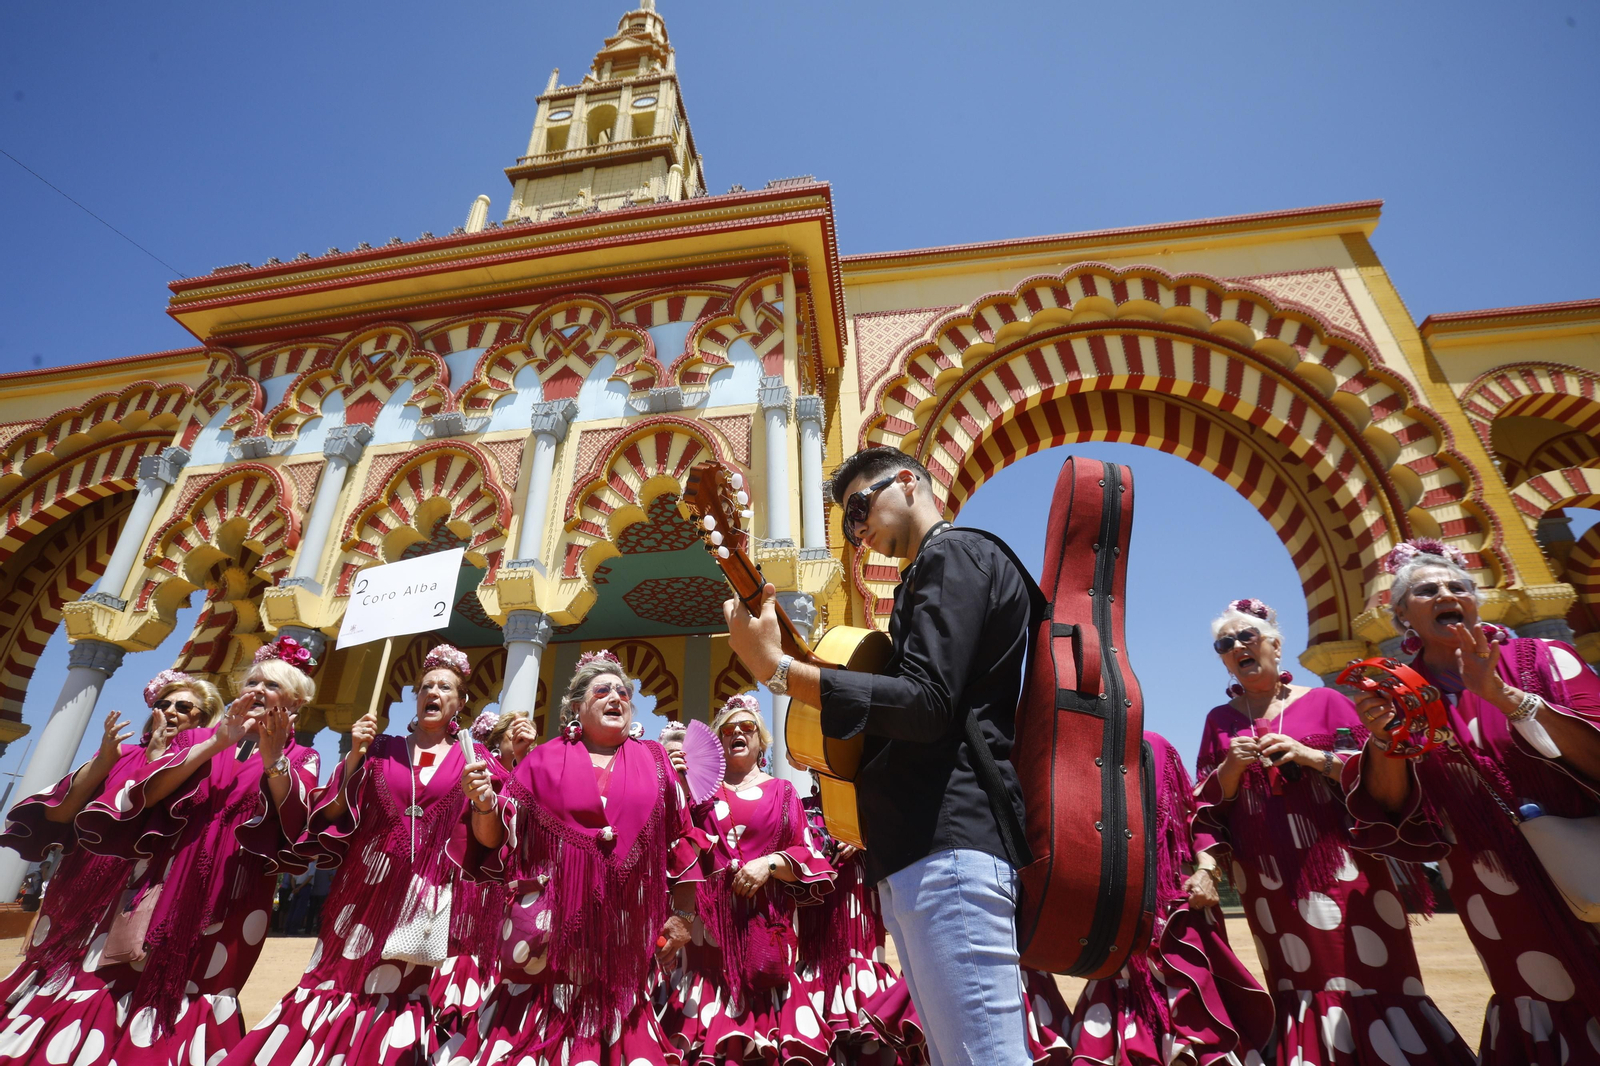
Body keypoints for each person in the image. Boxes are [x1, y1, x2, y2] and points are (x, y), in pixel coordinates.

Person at [726, 445, 1036, 1066]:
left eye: (860, 507)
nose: (857, 529)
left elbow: (926, 703)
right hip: (927, 849)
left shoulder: (955, 555)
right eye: (846, 521)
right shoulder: (931, 572)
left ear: (908, 483)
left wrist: (781, 672)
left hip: (950, 844)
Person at [1349, 539, 1600, 1063]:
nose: (1446, 592)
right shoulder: (1401, 695)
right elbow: (1391, 808)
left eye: (1457, 586)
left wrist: (1505, 698)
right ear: (1402, 617)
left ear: (1475, 601)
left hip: (1585, 859)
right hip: (1490, 888)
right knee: (1536, 993)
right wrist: (1385, 742)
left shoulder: (1541, 658)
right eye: (1427, 589)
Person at [1193, 598, 1474, 1064]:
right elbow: (1206, 802)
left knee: (1363, 966)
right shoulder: (1218, 721)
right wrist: (1230, 768)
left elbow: (1378, 773)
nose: (1239, 646)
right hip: (1265, 876)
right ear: (1223, 658)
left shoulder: (1325, 701)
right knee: (1296, 978)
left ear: (1275, 646)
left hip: (1341, 863)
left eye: (1249, 636)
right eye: (1227, 643)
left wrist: (1309, 756)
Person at [224, 642, 499, 1065]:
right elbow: (330, 813)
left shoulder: (474, 757)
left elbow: (493, 840)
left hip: (429, 898)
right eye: (426, 686)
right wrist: (354, 754)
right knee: (338, 976)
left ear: (459, 702)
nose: (434, 692)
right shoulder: (379, 748)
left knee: (406, 985)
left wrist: (483, 802)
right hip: (363, 889)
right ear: (416, 696)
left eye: (445, 687)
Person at [452, 650, 707, 1066]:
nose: (617, 698)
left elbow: (683, 842)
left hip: (624, 945)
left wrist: (684, 917)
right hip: (547, 947)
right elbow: (496, 839)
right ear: (576, 707)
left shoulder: (657, 762)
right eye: (602, 690)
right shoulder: (541, 760)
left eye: (624, 693)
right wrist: (482, 804)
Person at [70, 640, 319, 1065]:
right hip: (166, 871)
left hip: (235, 887)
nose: (257, 688)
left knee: (207, 978)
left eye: (271, 684)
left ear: (294, 701)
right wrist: (219, 742)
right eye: (252, 681)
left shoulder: (303, 757)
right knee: (132, 964)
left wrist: (274, 758)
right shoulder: (201, 738)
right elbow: (150, 795)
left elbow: (295, 820)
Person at [0, 669, 221, 1053]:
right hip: (79, 888)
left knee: (102, 983)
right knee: (50, 973)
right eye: (162, 704)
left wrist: (162, 759)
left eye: (183, 706)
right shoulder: (120, 754)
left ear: (202, 718)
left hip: (132, 896)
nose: (169, 712)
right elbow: (59, 814)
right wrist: (104, 759)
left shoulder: (202, 768)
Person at [1070, 731, 1273, 1066]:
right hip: (1114, 912)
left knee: (1192, 1009)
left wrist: (1208, 870)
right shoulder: (1073, 756)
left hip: (1177, 911)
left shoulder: (1157, 747)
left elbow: (1195, 817)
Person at [660, 694, 837, 1065]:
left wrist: (770, 863)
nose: (737, 732)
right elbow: (671, 845)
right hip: (708, 937)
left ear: (761, 741)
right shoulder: (697, 793)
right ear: (718, 742)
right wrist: (676, 785)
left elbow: (807, 855)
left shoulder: (783, 791)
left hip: (763, 931)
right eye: (727, 729)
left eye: (747, 727)